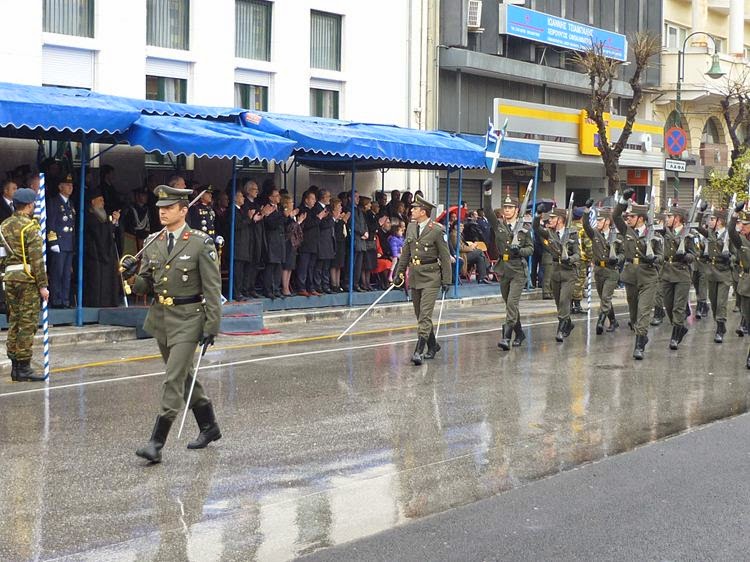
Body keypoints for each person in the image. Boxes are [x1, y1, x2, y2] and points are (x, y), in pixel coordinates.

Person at [120, 185, 222, 463]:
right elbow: (146, 284)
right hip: (162, 319)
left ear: (183, 210)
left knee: (173, 378)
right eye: (160, 208)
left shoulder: (200, 243)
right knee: (184, 375)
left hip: (190, 318)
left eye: (168, 208)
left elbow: (213, 288)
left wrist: (212, 325)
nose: (162, 212)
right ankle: (209, 426)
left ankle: (156, 442)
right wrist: (131, 275)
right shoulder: (153, 241)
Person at [393, 195, 452, 365]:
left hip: (432, 276)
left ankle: (418, 351)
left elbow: (445, 256)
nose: (411, 210)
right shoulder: (411, 227)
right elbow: (406, 252)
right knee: (420, 315)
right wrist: (400, 272)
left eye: (415, 208)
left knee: (425, 315)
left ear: (423, 212)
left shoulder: (437, 230)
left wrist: (446, 280)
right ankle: (433, 345)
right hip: (416, 275)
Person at [0, 188, 49, 381]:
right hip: (27, 278)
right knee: (27, 323)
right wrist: (43, 285)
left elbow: (1, 256)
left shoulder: (3, 226)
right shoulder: (30, 227)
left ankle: (15, 365)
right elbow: (37, 259)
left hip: (9, 278)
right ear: (29, 205)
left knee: (14, 321)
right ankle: (24, 367)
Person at [612, 189, 663, 360]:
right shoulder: (627, 231)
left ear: (641, 218)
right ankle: (640, 333)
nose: (628, 219)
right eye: (628, 217)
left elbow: (662, 257)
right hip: (631, 276)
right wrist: (623, 200)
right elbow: (615, 216)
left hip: (648, 276)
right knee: (633, 313)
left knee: (643, 312)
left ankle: (639, 345)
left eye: (632, 217)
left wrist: (654, 258)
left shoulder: (654, 235)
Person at [482, 181, 533, 350]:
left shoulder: (524, 229)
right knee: (508, 304)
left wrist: (520, 251)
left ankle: (506, 337)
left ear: (517, 210)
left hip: (518, 269)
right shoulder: (499, 226)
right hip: (504, 268)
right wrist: (488, 192)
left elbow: (531, 249)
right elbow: (488, 211)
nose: (507, 210)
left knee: (512, 304)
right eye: (505, 207)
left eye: (511, 207)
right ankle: (519, 333)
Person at [533, 206, 580, 343]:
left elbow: (578, 254)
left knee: (564, 300)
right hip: (555, 271)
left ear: (560, 220)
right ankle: (568, 323)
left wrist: (569, 259)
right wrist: (538, 214)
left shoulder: (572, 233)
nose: (550, 220)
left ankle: (561, 328)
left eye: (553, 218)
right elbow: (536, 228)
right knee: (558, 301)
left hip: (568, 271)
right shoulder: (549, 233)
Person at [582, 201, 621, 334]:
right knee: (604, 298)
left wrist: (617, 259)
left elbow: (624, 253)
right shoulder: (595, 234)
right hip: (599, 271)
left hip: (611, 271)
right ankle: (614, 321)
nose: (597, 223)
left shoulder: (617, 235)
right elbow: (585, 225)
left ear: (608, 221)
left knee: (605, 297)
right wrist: (587, 210)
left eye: (600, 220)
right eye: (597, 220)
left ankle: (600, 321)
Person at [661, 205, 696, 350]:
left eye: (670, 216)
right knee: (668, 306)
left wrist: (685, 256)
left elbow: (694, 255)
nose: (667, 219)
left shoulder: (688, 234)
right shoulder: (665, 232)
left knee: (678, 308)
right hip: (667, 273)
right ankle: (680, 327)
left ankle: (675, 337)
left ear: (678, 218)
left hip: (681, 274)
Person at [698, 208, 733, 343]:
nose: (710, 221)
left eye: (712, 219)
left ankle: (720, 327)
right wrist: (700, 210)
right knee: (713, 302)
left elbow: (736, 254)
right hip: (711, 272)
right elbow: (696, 225)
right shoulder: (710, 234)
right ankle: (720, 324)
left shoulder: (729, 235)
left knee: (721, 303)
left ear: (720, 221)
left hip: (724, 273)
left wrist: (729, 256)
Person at [46, 173, 76, 308]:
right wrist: (52, 242)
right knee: (57, 273)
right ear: (60, 187)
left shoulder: (71, 203)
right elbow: (51, 223)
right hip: (59, 243)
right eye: (67, 185)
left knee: (66, 274)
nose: (71, 188)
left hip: (68, 243)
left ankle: (65, 299)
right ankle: (57, 300)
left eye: (71, 185)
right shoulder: (54, 202)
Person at [728, 202, 750, 367]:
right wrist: (735, 213)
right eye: (741, 224)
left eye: (745, 225)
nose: (741, 227)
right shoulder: (741, 241)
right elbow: (731, 232)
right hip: (746, 286)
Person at [296, 190, 322, 296]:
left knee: (311, 267)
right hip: (305, 243)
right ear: (306, 199)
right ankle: (301, 287)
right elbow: (306, 225)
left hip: (314, 242)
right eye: (312, 198)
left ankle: (310, 287)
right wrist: (318, 218)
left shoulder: (314, 210)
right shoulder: (302, 210)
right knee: (303, 266)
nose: (314, 200)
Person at [261, 188, 285, 299]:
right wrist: (283, 216)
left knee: (278, 266)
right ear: (270, 197)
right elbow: (271, 224)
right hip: (271, 240)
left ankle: (276, 288)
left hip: (280, 240)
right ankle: (268, 289)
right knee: (270, 266)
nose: (278, 197)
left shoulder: (279, 208)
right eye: (276, 195)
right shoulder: (267, 207)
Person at [571, 207, 592, 314]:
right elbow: (588, 245)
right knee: (579, 282)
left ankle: (569, 305)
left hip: (570, 259)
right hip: (581, 259)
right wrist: (591, 257)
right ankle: (577, 305)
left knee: (571, 281)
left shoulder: (569, 228)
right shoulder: (583, 229)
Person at [232, 189, 251, 300]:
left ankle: (240, 291)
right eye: (241, 196)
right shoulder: (233, 210)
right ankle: (236, 292)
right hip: (237, 245)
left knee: (242, 271)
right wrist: (248, 218)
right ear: (235, 198)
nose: (243, 198)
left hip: (243, 245)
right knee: (237, 271)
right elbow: (238, 225)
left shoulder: (241, 210)